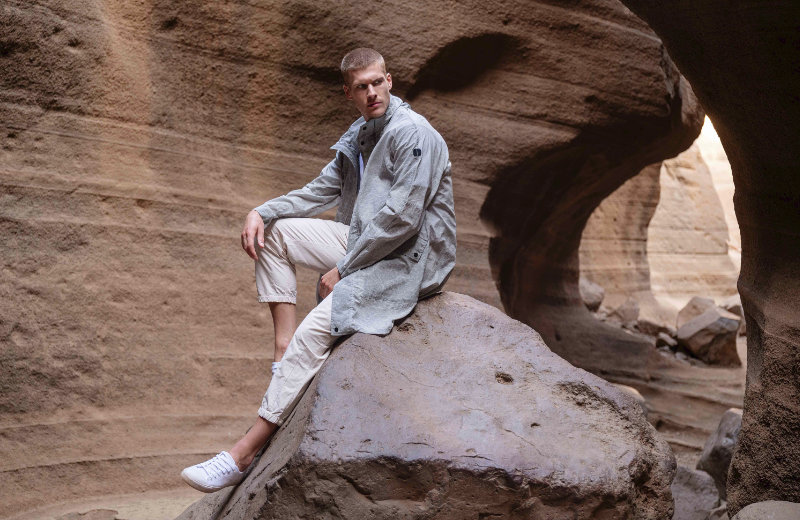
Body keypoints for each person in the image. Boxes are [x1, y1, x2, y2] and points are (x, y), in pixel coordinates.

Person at [180, 48, 456, 493]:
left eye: (377, 82)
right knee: (276, 233)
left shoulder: (413, 134)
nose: (372, 93)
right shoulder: (361, 134)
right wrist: (261, 211)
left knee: (317, 330)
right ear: (348, 93)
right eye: (361, 87)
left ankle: (242, 454)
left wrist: (345, 268)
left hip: (409, 256)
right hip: (367, 240)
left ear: (389, 80)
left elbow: (402, 219)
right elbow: (319, 191)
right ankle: (282, 351)